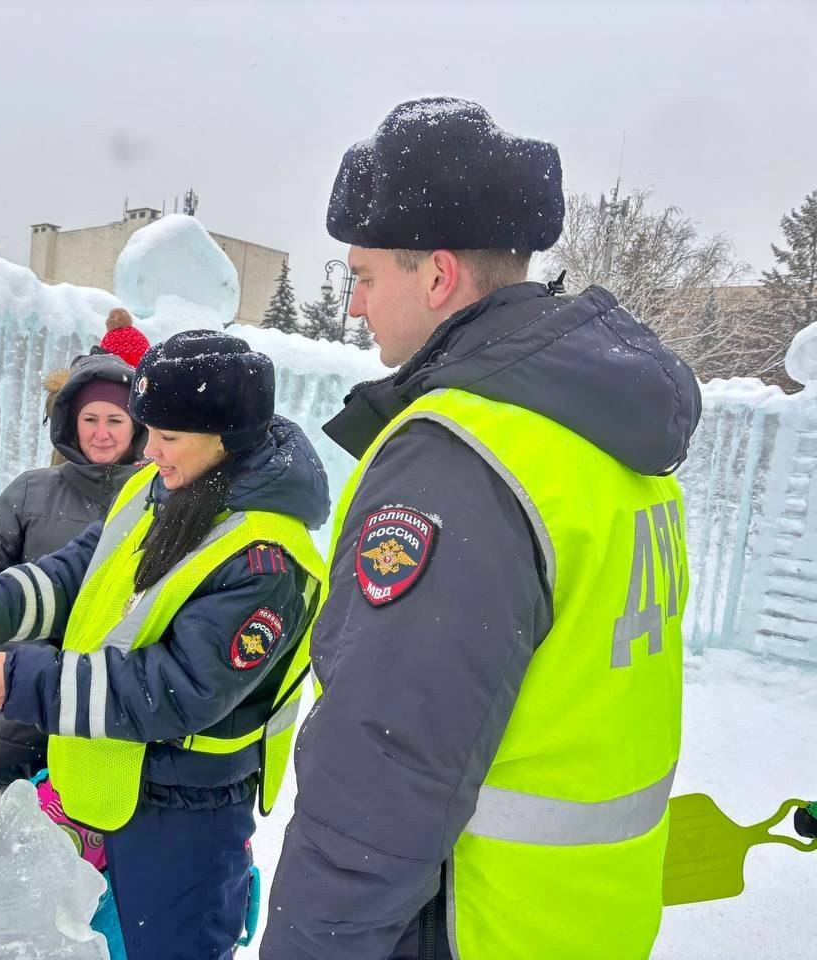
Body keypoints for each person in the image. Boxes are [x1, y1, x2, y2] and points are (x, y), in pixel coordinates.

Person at [262, 98, 700, 960]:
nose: (354, 306)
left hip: (468, 923)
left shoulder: (463, 459)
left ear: (436, 277)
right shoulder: (604, 436)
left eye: (364, 276)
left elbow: (380, 780)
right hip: (581, 924)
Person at [0, 330, 331, 960]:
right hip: (106, 785)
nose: (151, 449)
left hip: (186, 810)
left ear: (226, 437)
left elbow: (181, 687)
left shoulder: (266, 558)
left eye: (169, 436)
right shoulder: (158, 489)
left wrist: (27, 680)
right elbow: (84, 569)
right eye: (150, 431)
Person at [0, 350, 148, 791]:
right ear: (69, 423)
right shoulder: (30, 490)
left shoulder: (156, 496)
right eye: (90, 419)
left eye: (115, 421)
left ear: (137, 426)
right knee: (21, 827)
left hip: (107, 696)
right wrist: (28, 653)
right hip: (25, 693)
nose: (101, 433)